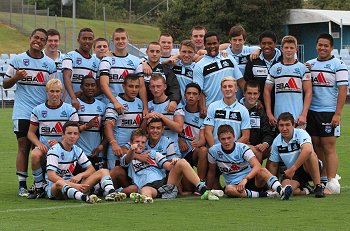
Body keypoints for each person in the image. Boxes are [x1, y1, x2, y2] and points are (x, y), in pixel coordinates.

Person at [3, 28, 57, 197]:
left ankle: (38, 183)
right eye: (36, 38)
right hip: (23, 112)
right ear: (30, 38)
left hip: (42, 113)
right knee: (23, 146)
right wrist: (16, 78)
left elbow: (53, 87)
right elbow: (5, 84)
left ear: (45, 43)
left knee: (40, 149)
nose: (38, 41)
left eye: (42, 39)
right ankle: (21, 185)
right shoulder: (18, 59)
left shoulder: (49, 64)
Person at [120, 128, 222, 202]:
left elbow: (168, 166)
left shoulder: (153, 153)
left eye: (143, 142)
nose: (140, 144)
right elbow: (127, 158)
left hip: (164, 184)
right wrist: (132, 150)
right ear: (131, 142)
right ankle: (146, 200)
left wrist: (174, 162)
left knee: (181, 162)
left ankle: (204, 190)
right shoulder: (128, 157)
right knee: (145, 191)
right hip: (147, 186)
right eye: (137, 142)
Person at [305, 33, 348, 194]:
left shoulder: (339, 65)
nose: (322, 48)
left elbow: (343, 90)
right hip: (312, 111)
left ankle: (333, 181)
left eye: (326, 46)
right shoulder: (309, 64)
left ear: (331, 48)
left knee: (328, 146)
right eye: (320, 45)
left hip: (328, 112)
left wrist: (337, 113)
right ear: (316, 46)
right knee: (316, 145)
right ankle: (322, 179)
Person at [45, 121, 127, 203]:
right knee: (59, 183)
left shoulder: (77, 149)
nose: (72, 136)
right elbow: (51, 176)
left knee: (103, 171)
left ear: (78, 135)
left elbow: (91, 170)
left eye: (75, 133)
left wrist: (80, 175)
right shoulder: (54, 150)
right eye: (69, 133)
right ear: (63, 134)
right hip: (56, 189)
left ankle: (111, 193)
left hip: (75, 186)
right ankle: (85, 198)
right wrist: (74, 185)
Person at [207, 124, 292, 199]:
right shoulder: (213, 151)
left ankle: (281, 190)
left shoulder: (242, 148)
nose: (226, 142)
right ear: (218, 139)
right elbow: (212, 171)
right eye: (223, 139)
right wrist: (207, 190)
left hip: (251, 180)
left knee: (262, 170)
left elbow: (257, 165)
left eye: (229, 138)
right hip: (235, 186)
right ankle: (265, 195)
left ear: (234, 137)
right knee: (228, 189)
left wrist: (245, 179)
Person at [26, 79, 78, 199]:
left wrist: (60, 143)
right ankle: (39, 187)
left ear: (62, 92)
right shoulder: (38, 110)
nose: (54, 94)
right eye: (51, 91)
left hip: (64, 148)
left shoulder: (69, 109)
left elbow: (75, 133)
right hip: (46, 148)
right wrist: (39, 144)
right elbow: (30, 133)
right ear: (47, 92)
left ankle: (62, 185)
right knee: (34, 154)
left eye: (57, 91)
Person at [266, 112, 325, 198]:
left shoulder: (301, 133)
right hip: (294, 173)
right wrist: (271, 188)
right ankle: (307, 189)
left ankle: (318, 186)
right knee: (287, 189)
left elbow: (308, 150)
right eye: (281, 125)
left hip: (309, 167)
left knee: (309, 153)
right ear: (278, 126)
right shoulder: (276, 141)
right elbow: (274, 165)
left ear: (293, 125)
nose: (284, 128)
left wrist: (292, 169)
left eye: (287, 125)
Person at [264, 35, 312, 128]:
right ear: (282, 49)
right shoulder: (274, 68)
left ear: (296, 50)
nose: (289, 50)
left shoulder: (303, 68)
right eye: (286, 47)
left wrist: (304, 114)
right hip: (279, 118)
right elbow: (266, 91)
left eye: (291, 48)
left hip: (298, 118)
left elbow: (309, 92)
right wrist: (269, 113)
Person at [193, 31, 244, 116]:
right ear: (204, 45)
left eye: (214, 43)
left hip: (232, 109)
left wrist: (252, 97)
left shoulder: (228, 58)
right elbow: (199, 90)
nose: (212, 46)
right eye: (209, 44)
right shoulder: (199, 65)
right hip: (212, 111)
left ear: (219, 44)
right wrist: (202, 108)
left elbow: (240, 80)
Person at [99, 28, 148, 114]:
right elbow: (104, 85)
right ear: (113, 41)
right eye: (117, 39)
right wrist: (115, 102)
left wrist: (145, 108)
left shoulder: (136, 61)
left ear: (127, 40)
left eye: (123, 38)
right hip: (111, 105)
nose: (120, 41)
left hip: (131, 107)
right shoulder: (106, 60)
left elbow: (141, 86)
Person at [104, 73, 143, 169]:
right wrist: (113, 143)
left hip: (134, 151)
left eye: (137, 87)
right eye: (130, 86)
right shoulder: (116, 103)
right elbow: (108, 125)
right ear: (123, 86)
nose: (134, 90)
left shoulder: (139, 102)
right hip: (117, 152)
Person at [142, 74, 184, 159]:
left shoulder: (174, 104)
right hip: (152, 152)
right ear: (149, 87)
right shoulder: (148, 105)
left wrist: (162, 117)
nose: (156, 89)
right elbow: (141, 132)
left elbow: (179, 128)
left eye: (158, 86)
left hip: (172, 152)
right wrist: (146, 119)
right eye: (153, 87)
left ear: (165, 86)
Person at [204, 76, 250, 147]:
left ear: (236, 89)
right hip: (215, 149)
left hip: (234, 151)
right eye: (224, 87)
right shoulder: (213, 106)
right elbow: (208, 132)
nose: (227, 89)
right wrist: (215, 149)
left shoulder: (243, 110)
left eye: (230, 86)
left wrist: (232, 149)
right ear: (221, 89)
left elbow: (246, 136)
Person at [62, 28, 100, 109]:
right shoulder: (70, 56)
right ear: (78, 40)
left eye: (90, 39)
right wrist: (73, 98)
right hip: (70, 103)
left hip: (88, 106)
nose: (87, 41)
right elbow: (66, 77)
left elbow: (99, 85)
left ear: (93, 41)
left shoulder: (97, 61)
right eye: (84, 38)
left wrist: (84, 95)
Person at [221, 25, 260, 100]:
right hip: (229, 94)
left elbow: (267, 49)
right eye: (234, 40)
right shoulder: (224, 54)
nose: (237, 43)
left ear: (244, 40)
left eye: (240, 40)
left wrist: (259, 50)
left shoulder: (250, 51)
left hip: (246, 95)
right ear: (230, 40)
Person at [178, 83, 207, 182]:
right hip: (181, 153)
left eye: (194, 94)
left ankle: (201, 182)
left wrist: (198, 143)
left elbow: (203, 139)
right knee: (188, 190)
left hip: (194, 152)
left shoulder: (203, 116)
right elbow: (173, 130)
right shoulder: (179, 111)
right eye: (189, 93)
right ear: (185, 95)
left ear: (199, 97)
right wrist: (180, 139)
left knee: (203, 150)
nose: (191, 96)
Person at [76, 76, 107, 170]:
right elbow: (68, 130)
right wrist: (86, 126)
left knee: (97, 183)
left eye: (93, 85)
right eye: (87, 85)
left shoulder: (102, 106)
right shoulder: (75, 104)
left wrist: (100, 148)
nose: (90, 88)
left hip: (96, 153)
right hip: (79, 153)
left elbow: (106, 132)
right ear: (81, 87)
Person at [244, 30, 282, 106]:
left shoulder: (283, 59)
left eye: (270, 43)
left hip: (280, 104)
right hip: (259, 105)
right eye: (264, 43)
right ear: (260, 45)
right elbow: (248, 82)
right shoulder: (253, 60)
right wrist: (256, 99)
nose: (266, 46)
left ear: (275, 44)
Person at [240, 80, 274, 163]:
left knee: (273, 149)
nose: (252, 96)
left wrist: (264, 144)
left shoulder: (260, 110)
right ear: (244, 93)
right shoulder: (236, 108)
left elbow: (267, 133)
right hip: (239, 145)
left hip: (257, 147)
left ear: (259, 95)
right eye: (249, 93)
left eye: (255, 94)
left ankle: (269, 175)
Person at [143, 42, 181, 111]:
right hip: (142, 107)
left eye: (157, 52)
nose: (154, 54)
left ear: (161, 53)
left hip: (161, 108)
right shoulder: (139, 68)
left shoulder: (167, 71)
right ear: (146, 52)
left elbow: (174, 88)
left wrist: (174, 101)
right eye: (152, 51)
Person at [171, 40, 196, 105]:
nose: (186, 55)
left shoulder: (197, 68)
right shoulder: (172, 65)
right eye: (184, 51)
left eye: (190, 52)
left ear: (194, 53)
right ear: (179, 52)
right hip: (173, 106)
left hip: (189, 107)